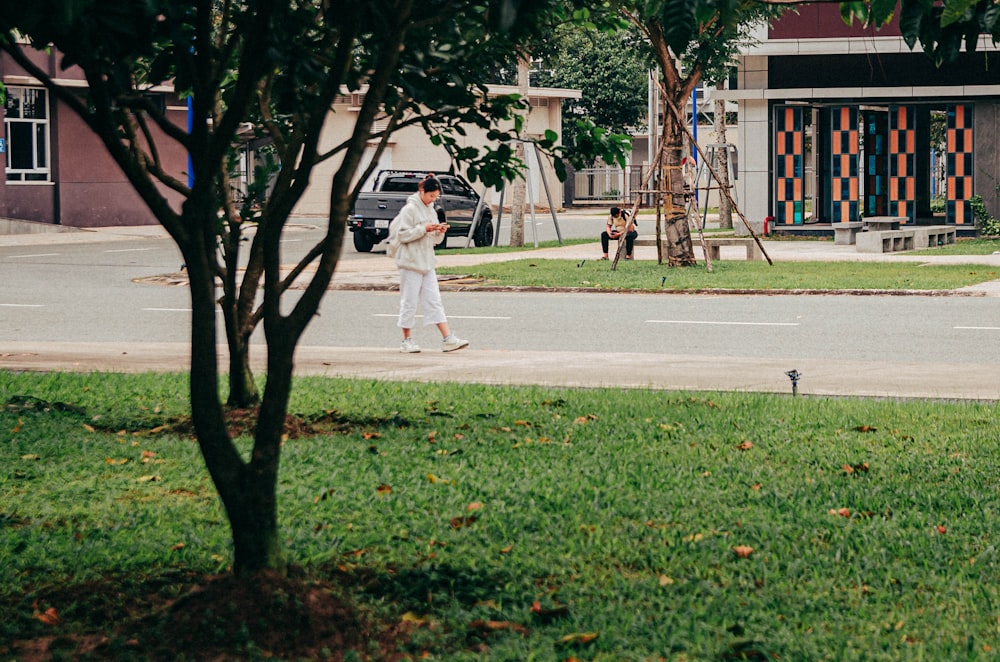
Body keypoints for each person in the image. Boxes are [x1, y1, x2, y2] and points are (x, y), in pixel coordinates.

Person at [387, 174, 469, 353]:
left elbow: (435, 240)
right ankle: (406, 340)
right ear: (422, 191)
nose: (433, 199)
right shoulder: (410, 209)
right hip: (410, 261)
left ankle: (448, 338)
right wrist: (423, 229)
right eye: (431, 195)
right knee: (409, 301)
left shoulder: (431, 210)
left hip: (426, 261)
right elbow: (402, 235)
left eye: (436, 197)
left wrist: (439, 231)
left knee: (434, 300)